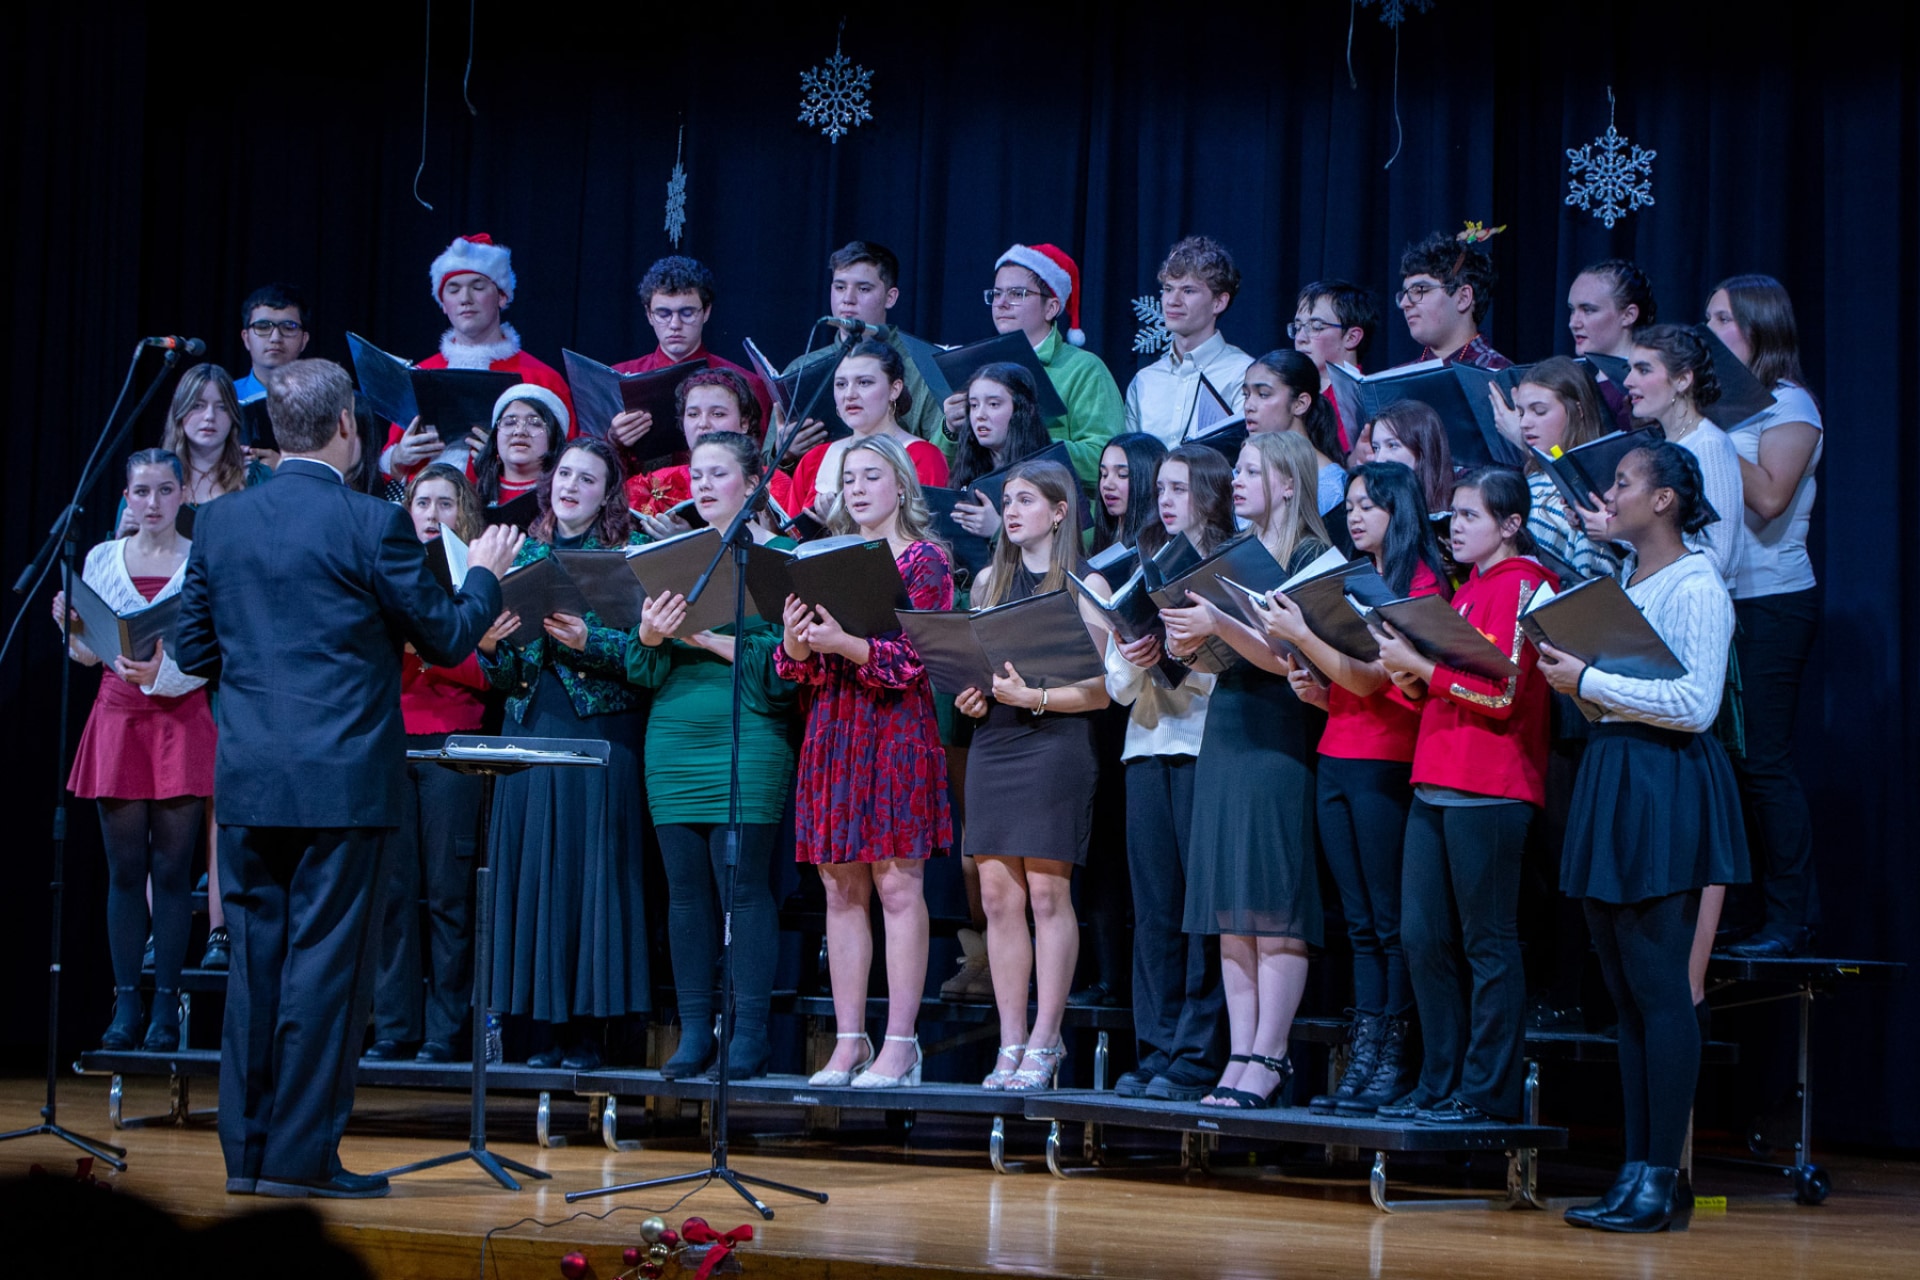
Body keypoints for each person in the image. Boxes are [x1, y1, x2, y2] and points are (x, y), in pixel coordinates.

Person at [174, 358, 518, 1199]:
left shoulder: (219, 522)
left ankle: (249, 1157)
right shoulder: (373, 523)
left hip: (252, 779)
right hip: (342, 783)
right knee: (324, 972)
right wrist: (484, 574)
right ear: (345, 428)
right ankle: (298, 1160)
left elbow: (193, 650)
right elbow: (447, 638)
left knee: (256, 972)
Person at [1538, 442, 1745, 1233]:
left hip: (1664, 782)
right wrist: (1577, 681)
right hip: (1617, 772)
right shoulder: (1628, 581)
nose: (1610, 495)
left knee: (1660, 989)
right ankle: (1637, 1170)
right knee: (1625, 994)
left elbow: (1695, 704)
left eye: (1623, 483)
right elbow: (1625, 692)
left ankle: (1663, 1175)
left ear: (1663, 500)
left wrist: (1588, 680)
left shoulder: (1697, 583)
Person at [1254, 462, 1448, 1115]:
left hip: (1387, 759)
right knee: (1360, 924)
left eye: (1369, 505)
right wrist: (1315, 687)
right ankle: (1363, 1057)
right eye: (1354, 504)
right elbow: (1349, 683)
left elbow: (1373, 679)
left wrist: (1302, 635)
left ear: (1400, 510)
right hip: (1336, 751)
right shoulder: (1350, 578)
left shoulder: (1418, 584)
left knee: (1390, 922)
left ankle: (1394, 1056)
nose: (1356, 515)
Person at [1373, 468, 1557, 1124]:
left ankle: (1486, 1093)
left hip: (1491, 784)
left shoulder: (1527, 585)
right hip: (1435, 777)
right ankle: (1439, 1082)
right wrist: (1406, 670)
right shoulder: (1467, 589)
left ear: (1511, 525)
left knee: (1487, 942)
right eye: (1452, 515)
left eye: (1471, 515)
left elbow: (1502, 695)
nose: (1454, 527)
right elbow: (1440, 687)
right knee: (1422, 938)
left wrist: (1423, 669)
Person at [776, 436, 954, 1091]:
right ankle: (849, 1041)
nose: (856, 488)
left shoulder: (924, 559)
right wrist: (796, 639)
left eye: (871, 476)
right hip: (834, 729)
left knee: (897, 886)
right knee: (839, 887)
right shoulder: (825, 560)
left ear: (901, 485)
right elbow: (794, 667)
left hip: (894, 729)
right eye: (848, 478)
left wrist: (845, 643)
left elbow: (918, 660)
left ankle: (901, 1044)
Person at [1160, 433, 1332, 1109]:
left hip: (1279, 729)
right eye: (1237, 471)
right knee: (1231, 903)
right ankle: (1238, 1054)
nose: (1237, 481)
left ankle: (1269, 1053)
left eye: (1252, 471)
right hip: (1228, 724)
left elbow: (1286, 657)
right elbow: (1223, 657)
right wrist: (1185, 640)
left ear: (1288, 483)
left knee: (1273, 901)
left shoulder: (1310, 556)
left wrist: (1217, 623)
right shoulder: (1233, 553)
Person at [628, 433, 797, 1080]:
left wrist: (703, 638)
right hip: (673, 734)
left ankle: (749, 1033)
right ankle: (695, 1030)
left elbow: (783, 670)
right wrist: (649, 635)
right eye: (695, 473)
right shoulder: (672, 558)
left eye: (717, 473)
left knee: (744, 888)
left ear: (753, 482)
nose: (701, 484)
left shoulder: (780, 558)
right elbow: (642, 669)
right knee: (685, 892)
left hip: (747, 732)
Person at [478, 438, 649, 1069]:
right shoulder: (521, 555)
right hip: (529, 727)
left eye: (587, 479)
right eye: (565, 475)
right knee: (533, 878)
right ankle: (538, 1032)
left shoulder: (626, 558)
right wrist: (490, 647)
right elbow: (505, 674)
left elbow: (645, 656)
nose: (571, 486)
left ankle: (587, 1032)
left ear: (607, 496)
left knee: (590, 877)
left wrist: (587, 642)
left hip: (599, 732)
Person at [954, 459, 1111, 1092]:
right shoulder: (988, 580)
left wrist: (1035, 699)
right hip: (995, 741)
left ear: (1059, 510)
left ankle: (1047, 1038)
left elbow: (1100, 691)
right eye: (1008, 501)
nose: (1012, 511)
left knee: (1047, 895)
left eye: (1025, 500)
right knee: (997, 898)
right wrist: (973, 698)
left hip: (1055, 743)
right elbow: (975, 672)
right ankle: (1011, 1039)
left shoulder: (1086, 582)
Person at [54, 449, 214, 1052]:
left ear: (182, 496)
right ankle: (126, 1005)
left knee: (172, 871)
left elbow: (212, 650)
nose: (153, 503)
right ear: (126, 497)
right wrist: (72, 629)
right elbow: (89, 654)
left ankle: (166, 1007)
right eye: (141, 492)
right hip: (119, 719)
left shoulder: (200, 560)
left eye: (165, 490)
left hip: (180, 717)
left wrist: (160, 675)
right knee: (125, 871)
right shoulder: (101, 558)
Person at [1106, 442, 1235, 1100]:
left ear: (1210, 494)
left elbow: (1242, 665)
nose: (1166, 499)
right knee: (1154, 910)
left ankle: (1196, 1053)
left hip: (1207, 744)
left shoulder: (1228, 570)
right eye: (1161, 489)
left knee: (1200, 911)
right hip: (1147, 746)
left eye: (1180, 488)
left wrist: (1194, 646)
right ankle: (1156, 1048)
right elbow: (1117, 685)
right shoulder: (1143, 566)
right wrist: (1137, 654)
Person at [364, 466, 502, 1064]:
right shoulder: (387, 572)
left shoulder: (479, 578)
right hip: (390, 741)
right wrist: (437, 642)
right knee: (392, 894)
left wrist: (427, 646)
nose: (431, 513)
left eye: (446, 503)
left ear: (463, 514)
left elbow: (489, 673)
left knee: (449, 894)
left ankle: (447, 1029)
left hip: (454, 745)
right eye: (422, 502)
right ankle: (394, 1026)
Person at [1705, 276, 1824, 962]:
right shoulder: (1719, 409)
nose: (1711, 330)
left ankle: (1791, 914)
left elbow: (1772, 498)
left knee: (1763, 761)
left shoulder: (1789, 404)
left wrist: (1708, 434)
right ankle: (1739, 910)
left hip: (1772, 599)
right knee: (1724, 762)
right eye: (1709, 317)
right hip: (1717, 598)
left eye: (1724, 318)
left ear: (1758, 327)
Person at [382, 232, 573, 485]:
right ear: (443, 303)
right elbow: (387, 467)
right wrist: (398, 458)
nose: (465, 299)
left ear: (502, 296)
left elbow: (569, 464)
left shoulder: (541, 378)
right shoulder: (419, 376)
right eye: (454, 289)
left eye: (478, 287)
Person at [940, 244, 1124, 487]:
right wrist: (950, 430)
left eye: (1017, 294)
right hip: (985, 506)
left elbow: (1104, 458)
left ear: (1051, 308)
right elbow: (940, 468)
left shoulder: (1084, 369)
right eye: (996, 294)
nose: (1002, 303)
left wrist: (1030, 440)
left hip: (1057, 507)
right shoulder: (978, 367)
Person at [779, 240, 950, 460]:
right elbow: (763, 464)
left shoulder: (924, 364)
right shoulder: (801, 368)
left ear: (890, 297)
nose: (847, 299)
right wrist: (784, 453)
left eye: (863, 289)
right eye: (840, 287)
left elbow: (942, 458)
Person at [609, 256, 772, 480]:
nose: (675, 324)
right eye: (663, 313)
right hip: (635, 496)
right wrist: (613, 439)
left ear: (706, 312)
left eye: (687, 313)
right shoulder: (616, 378)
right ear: (649, 315)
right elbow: (586, 458)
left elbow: (760, 463)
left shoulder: (746, 383)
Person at [1500, 356, 1623, 582]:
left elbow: (1594, 578)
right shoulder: (1531, 477)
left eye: (1539, 411)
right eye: (1521, 412)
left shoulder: (1597, 488)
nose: (1524, 423)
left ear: (1577, 410)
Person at [1124, 236, 1254, 450]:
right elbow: (1132, 460)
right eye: (1168, 289)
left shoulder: (1244, 375)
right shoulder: (1145, 382)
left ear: (1219, 302)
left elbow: (1250, 456)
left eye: (1188, 291)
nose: (1172, 301)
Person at [789, 339, 950, 504]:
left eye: (864, 382)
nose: (849, 394)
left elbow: (925, 519)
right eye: (841, 384)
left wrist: (838, 517)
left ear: (894, 389)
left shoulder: (922, 457)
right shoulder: (813, 460)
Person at [627, 368, 791, 519]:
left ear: (744, 423)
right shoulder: (655, 481)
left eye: (718, 414)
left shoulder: (772, 483)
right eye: (693, 414)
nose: (703, 423)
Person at [946, 363, 1057, 541]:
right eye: (974, 405)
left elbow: (1059, 547)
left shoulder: (1049, 474)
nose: (980, 415)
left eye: (993, 404)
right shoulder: (968, 468)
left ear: (1024, 410)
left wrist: (997, 529)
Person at [1242, 349, 1347, 516]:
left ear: (1300, 404)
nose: (1248, 406)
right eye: (1246, 395)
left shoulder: (1329, 486)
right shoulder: (1241, 472)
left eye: (1263, 394)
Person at [1396, 229, 1511, 369]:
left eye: (1420, 290)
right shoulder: (1397, 378)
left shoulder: (1498, 374)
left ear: (1463, 298)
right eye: (1405, 293)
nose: (1404, 303)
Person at [1293, 280, 1380, 455]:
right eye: (1297, 327)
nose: (1300, 338)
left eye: (1316, 327)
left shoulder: (1359, 400)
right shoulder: (1291, 392)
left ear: (1351, 337)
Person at [1568, 259, 1656, 430]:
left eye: (1588, 310)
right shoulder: (1576, 378)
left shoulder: (1641, 387)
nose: (1573, 323)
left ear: (1628, 315)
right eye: (1572, 310)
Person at [471, 384, 568, 509]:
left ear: (554, 437)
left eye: (534, 423)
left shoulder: (564, 499)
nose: (519, 431)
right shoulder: (470, 499)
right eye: (510, 422)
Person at [1368, 400, 1457, 515]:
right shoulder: (1372, 502)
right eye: (1376, 448)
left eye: (1392, 445)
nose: (1379, 459)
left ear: (1422, 449)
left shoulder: (1461, 500)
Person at [1090, 433, 1169, 555]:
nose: (1107, 484)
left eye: (1122, 475)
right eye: (1104, 474)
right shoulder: (1104, 544)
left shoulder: (1163, 552)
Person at [232, 283, 312, 403]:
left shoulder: (323, 400)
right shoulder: (226, 398)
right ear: (246, 338)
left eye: (288, 327)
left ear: (304, 340)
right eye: (263, 327)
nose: (275, 338)